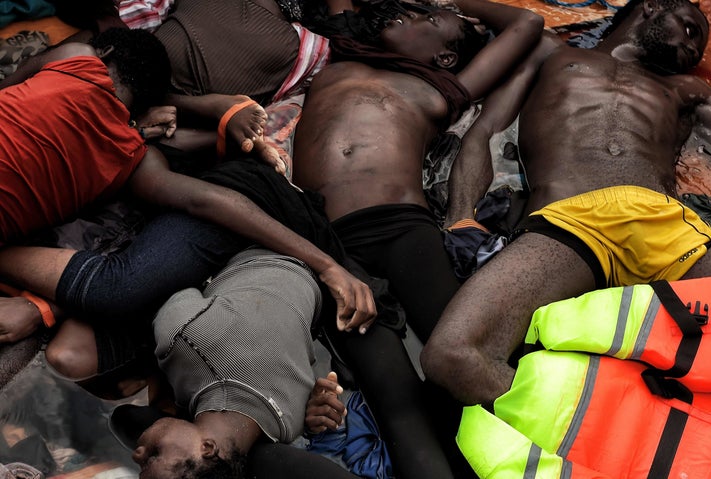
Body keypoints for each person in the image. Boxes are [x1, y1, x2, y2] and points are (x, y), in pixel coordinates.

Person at [420, 0, 711, 408]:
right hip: (569, 222)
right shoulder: (553, 52)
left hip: (665, 222)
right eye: (688, 29)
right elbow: (484, 130)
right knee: (453, 355)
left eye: (698, 44)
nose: (692, 48)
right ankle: (598, 431)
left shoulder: (687, 88)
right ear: (651, 7)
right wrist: (460, 216)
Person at [290, 0, 544, 477]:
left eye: (428, 20)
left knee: (462, 360)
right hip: (330, 247)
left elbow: (528, 22)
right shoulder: (341, 55)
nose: (405, 15)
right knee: (394, 396)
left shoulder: (441, 88)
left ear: (445, 56)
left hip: (405, 229)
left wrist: (455, 5)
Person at [0, 28, 374, 346]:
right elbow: (210, 201)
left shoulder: (75, 56)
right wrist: (326, 265)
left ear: (106, 53)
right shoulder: (132, 159)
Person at [127, 247, 360, 479]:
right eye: (154, 455)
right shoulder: (185, 339)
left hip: (326, 284)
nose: (137, 454)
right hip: (263, 243)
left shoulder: (291, 425)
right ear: (207, 448)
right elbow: (172, 277)